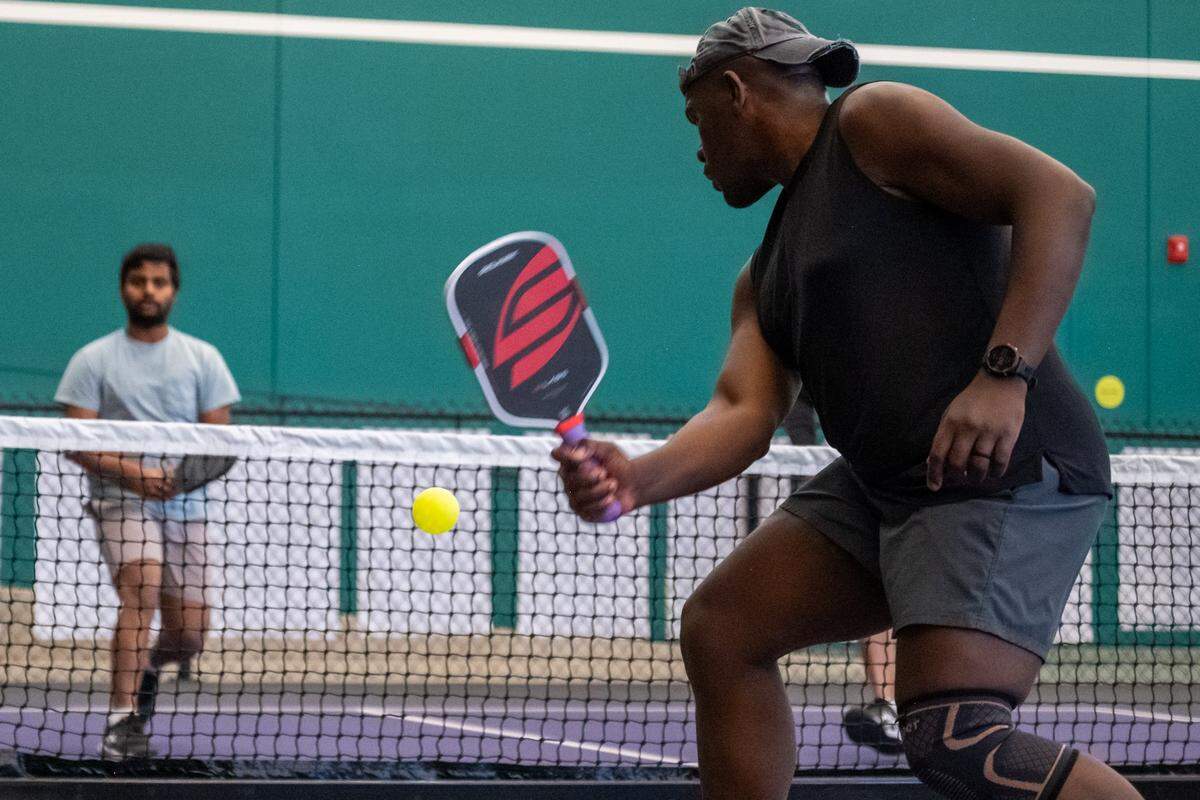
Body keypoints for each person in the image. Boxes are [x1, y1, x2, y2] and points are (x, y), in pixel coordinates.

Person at [554, 9, 1139, 800]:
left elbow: (1060, 196)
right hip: (891, 484)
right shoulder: (763, 276)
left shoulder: (872, 122)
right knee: (723, 629)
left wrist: (1004, 375)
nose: (697, 149)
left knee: (955, 738)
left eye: (697, 120)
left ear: (736, 93)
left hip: (1007, 467)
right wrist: (635, 480)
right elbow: (742, 414)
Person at [55, 243, 240, 759]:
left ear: (174, 291)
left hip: (184, 507)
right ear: (123, 288)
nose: (149, 291)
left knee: (190, 634)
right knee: (141, 586)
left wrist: (179, 481)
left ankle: (151, 669)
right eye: (139, 281)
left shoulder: (204, 358)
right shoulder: (92, 360)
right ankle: (122, 721)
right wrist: (135, 475)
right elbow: (77, 440)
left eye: (159, 282)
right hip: (120, 501)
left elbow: (220, 440)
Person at [784, 399, 901, 754]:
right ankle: (890, 708)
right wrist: (806, 457)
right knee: (880, 598)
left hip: (935, 498)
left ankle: (914, 710)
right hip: (865, 485)